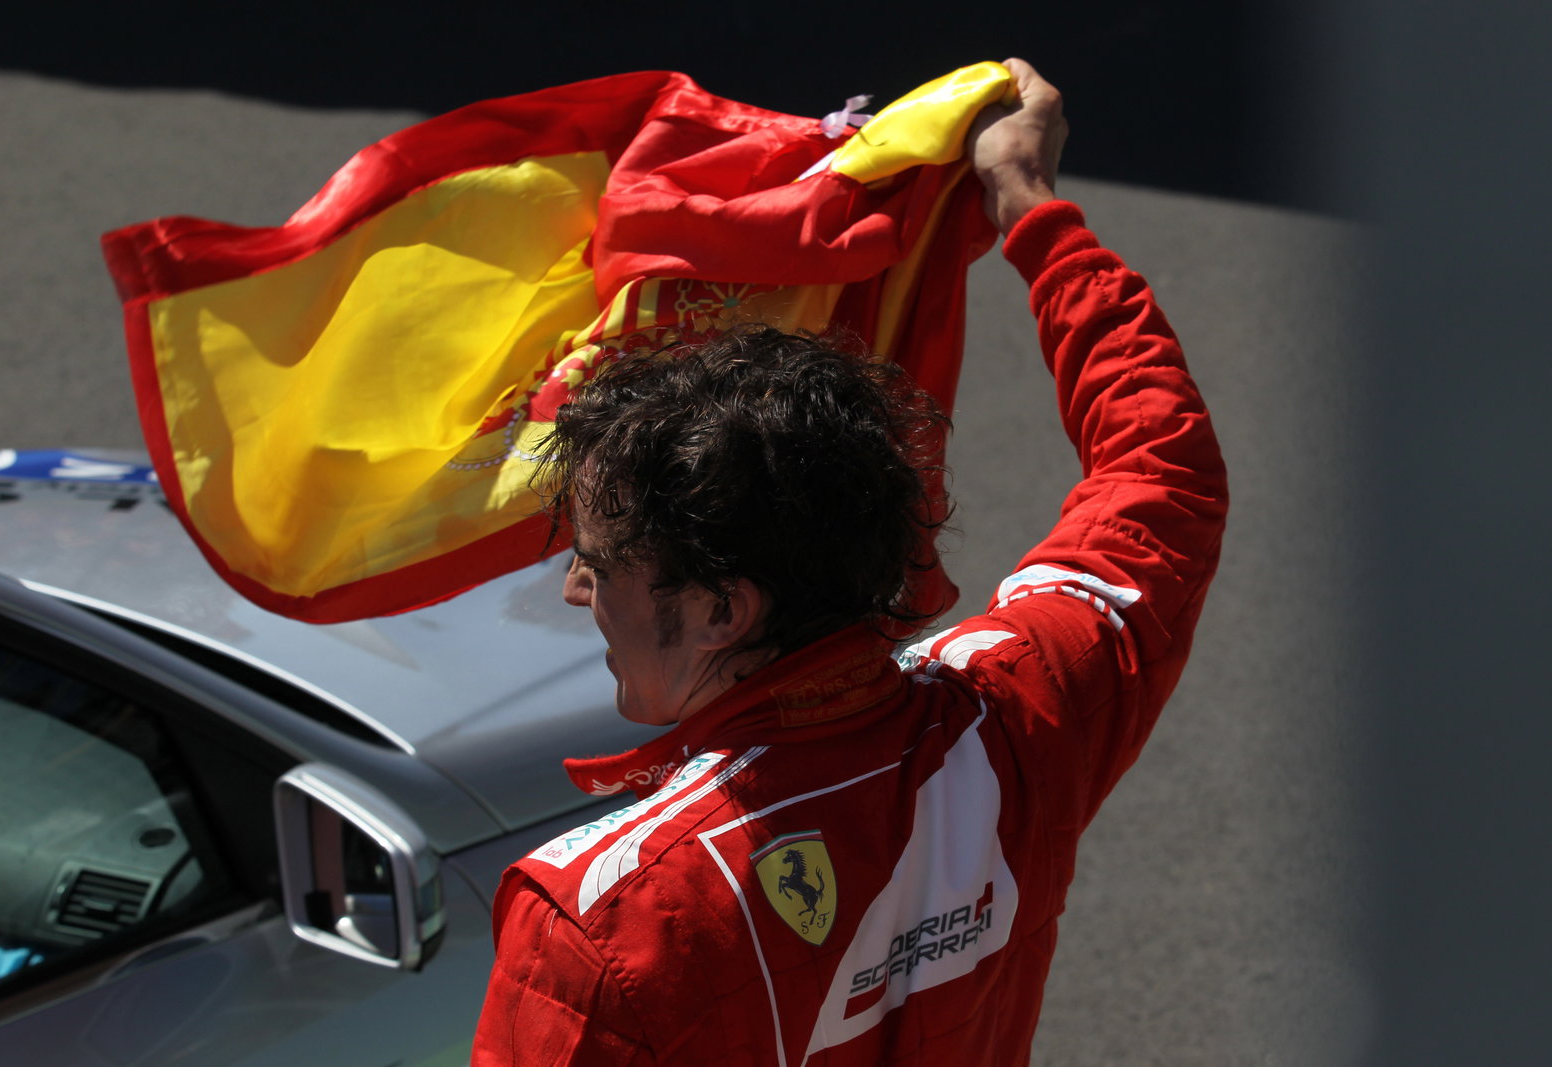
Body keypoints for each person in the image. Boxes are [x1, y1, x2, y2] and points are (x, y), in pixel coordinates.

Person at [473, 58, 1227, 1066]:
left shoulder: (598, 923)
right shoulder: (1023, 708)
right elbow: (1161, 467)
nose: (575, 589)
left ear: (721, 609)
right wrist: (1027, 205)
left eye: (600, 561)